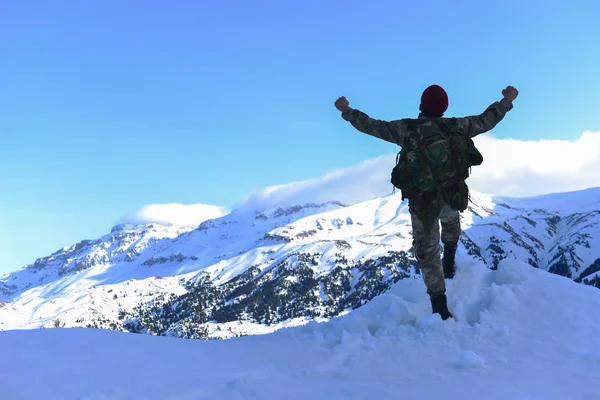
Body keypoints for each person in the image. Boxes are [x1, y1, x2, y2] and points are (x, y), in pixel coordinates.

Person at [334, 84, 518, 320]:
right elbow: (487, 119)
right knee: (451, 223)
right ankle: (450, 260)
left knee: (428, 253)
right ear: (445, 108)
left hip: (423, 203)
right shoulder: (457, 127)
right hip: (452, 195)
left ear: (421, 106)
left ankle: (440, 307)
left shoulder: (406, 129)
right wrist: (507, 100)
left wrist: (346, 110)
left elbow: (371, 126)